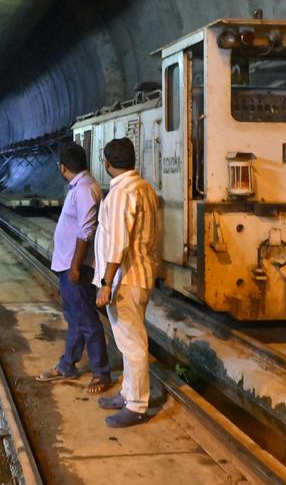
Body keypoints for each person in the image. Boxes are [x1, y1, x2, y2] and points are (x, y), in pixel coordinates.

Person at [93, 137, 160, 428]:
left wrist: (107, 282)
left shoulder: (121, 193)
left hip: (125, 280)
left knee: (131, 343)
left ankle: (136, 406)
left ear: (107, 163)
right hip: (141, 274)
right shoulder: (144, 187)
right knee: (129, 339)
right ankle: (127, 393)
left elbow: (118, 242)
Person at [35, 142, 111, 394]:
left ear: (62, 167)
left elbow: (86, 231)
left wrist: (76, 267)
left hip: (75, 266)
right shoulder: (80, 187)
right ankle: (68, 364)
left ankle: (101, 373)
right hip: (68, 264)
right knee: (76, 318)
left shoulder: (85, 190)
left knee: (87, 321)